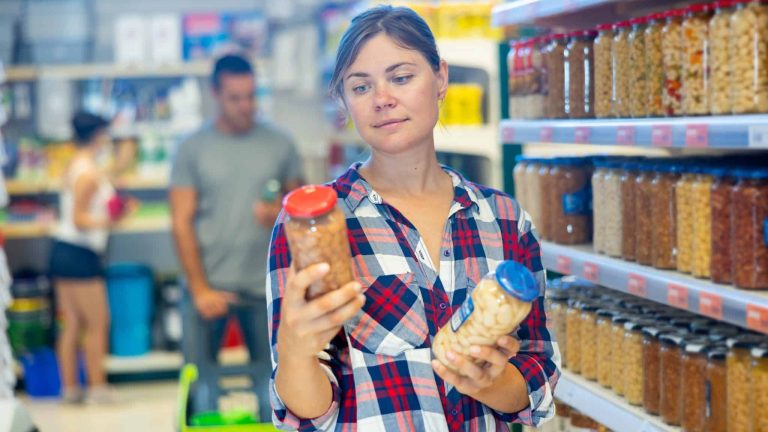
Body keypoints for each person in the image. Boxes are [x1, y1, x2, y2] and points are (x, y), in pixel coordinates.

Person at [266, 6, 560, 432]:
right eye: (361, 86)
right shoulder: (316, 226)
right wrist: (294, 349)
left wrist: (488, 381)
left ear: (440, 78)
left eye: (401, 77)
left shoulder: (504, 220)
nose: (383, 98)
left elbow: (537, 379)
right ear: (344, 101)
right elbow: (307, 415)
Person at [169, 54, 303, 421]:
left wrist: (279, 211)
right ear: (215, 94)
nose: (246, 106)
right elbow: (181, 222)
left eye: (250, 95)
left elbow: (304, 215)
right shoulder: (192, 148)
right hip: (209, 288)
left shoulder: (280, 144)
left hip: (267, 289)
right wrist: (199, 288)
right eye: (235, 98)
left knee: (276, 384)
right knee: (202, 388)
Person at [50, 111, 134, 404]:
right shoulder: (87, 172)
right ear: (98, 135)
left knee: (72, 323)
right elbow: (79, 219)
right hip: (80, 254)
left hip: (63, 252)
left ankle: (70, 388)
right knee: (98, 322)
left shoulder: (77, 164)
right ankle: (97, 388)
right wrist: (111, 223)